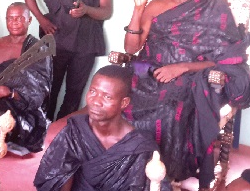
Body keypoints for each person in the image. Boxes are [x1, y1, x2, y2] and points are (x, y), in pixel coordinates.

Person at [124, 0, 250, 188]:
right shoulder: (156, 5)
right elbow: (131, 48)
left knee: (167, 107)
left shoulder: (217, 9)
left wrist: (182, 67)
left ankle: (164, 169)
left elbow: (227, 59)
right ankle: (122, 161)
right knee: (115, 95)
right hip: (148, 73)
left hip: (188, 78)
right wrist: (138, 8)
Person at [22, 0, 116, 121]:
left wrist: (86, 10)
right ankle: (42, 130)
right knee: (49, 89)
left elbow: (106, 11)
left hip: (85, 44)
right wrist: (42, 20)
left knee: (74, 93)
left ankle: (62, 134)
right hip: (56, 42)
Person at [34, 65, 166, 191]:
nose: (96, 101)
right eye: (92, 91)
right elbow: (58, 178)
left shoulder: (139, 148)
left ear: (124, 103)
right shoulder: (75, 132)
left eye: (107, 97)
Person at [0, 2, 52, 158]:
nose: (14, 22)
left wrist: (10, 93)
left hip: (18, 106)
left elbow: (39, 92)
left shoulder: (38, 50)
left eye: (19, 18)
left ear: (29, 21)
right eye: (10, 18)